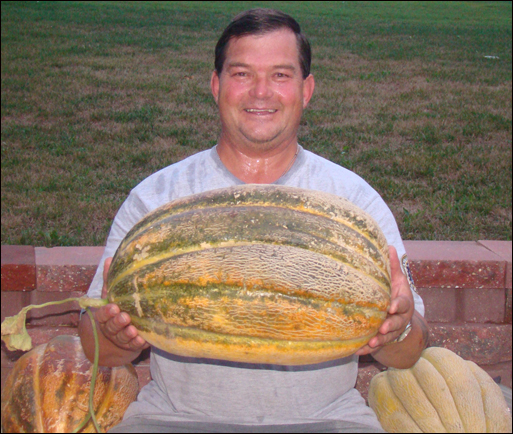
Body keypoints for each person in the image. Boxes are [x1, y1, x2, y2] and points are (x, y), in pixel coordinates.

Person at [79, 8, 429, 433]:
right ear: (216, 85)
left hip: (326, 421)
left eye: (281, 75)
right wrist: (113, 336)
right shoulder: (156, 198)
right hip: (173, 420)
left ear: (307, 89)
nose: (261, 93)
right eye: (242, 74)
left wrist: (398, 327)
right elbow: (94, 345)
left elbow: (409, 352)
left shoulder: (354, 201)